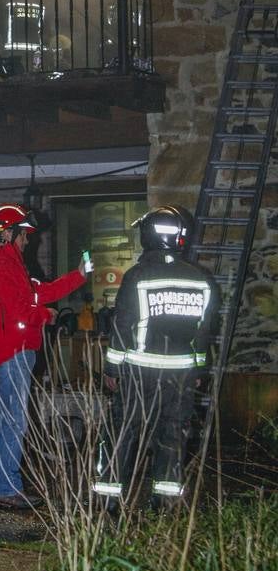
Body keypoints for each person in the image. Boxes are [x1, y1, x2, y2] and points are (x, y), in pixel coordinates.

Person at [93, 205, 219, 511]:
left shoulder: (138, 276)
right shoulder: (201, 279)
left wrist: (111, 368)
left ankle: (109, 502)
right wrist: (199, 368)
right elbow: (204, 332)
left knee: (122, 432)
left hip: (139, 372)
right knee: (173, 436)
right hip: (182, 375)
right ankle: (164, 503)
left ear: (148, 236)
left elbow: (122, 325)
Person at [0, 203, 90, 509]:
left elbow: (39, 292)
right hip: (13, 350)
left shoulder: (5, 265)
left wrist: (77, 277)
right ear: (9, 233)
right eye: (24, 235)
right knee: (15, 421)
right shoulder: (2, 267)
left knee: (3, 420)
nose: (28, 241)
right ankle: (8, 488)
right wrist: (46, 317)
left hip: (5, 352)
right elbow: (19, 313)